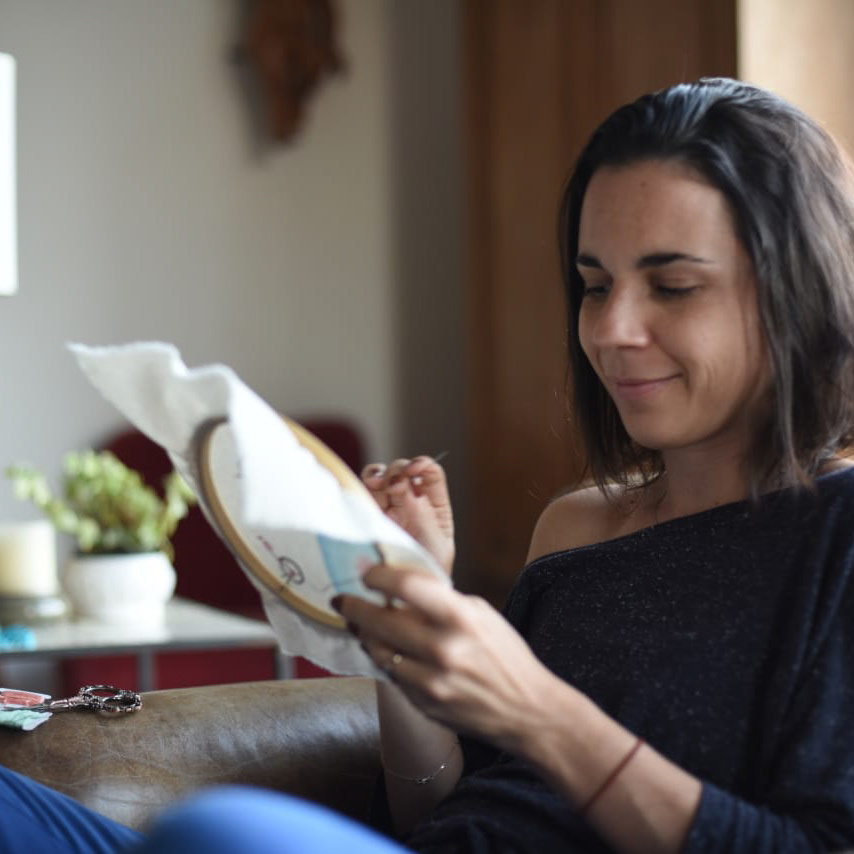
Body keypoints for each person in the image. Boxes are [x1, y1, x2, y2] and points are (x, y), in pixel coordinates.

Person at [3, 75, 854, 853]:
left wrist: (540, 712)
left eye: (672, 286)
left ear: (797, 294)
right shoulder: (577, 527)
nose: (610, 329)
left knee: (219, 828)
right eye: (596, 285)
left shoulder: (834, 539)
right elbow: (435, 814)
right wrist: (403, 631)